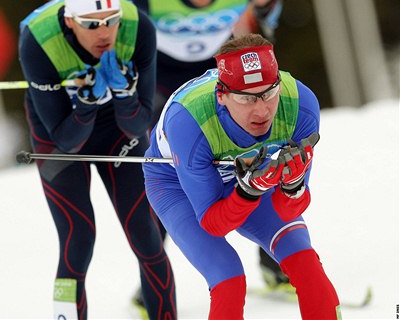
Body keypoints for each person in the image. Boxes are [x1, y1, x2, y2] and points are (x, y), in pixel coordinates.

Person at [109, 0, 287, 303]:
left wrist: (267, 8)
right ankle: (152, 285)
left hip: (217, 72)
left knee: (260, 155)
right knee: (168, 174)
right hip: (161, 81)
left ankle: (276, 265)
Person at [143, 33, 340, 319]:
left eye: (269, 93)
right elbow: (213, 223)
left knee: (306, 264)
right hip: (176, 183)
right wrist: (248, 192)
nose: (261, 110)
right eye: (246, 99)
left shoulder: (300, 104)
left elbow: (290, 209)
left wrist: (294, 186)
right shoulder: (189, 121)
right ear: (222, 96)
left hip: (245, 175)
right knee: (229, 279)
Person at [18, 0, 176, 319]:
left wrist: (122, 94)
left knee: (147, 235)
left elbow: (138, 123)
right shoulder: (38, 39)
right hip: (58, 129)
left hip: (116, 127)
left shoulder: (138, 27)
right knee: (77, 240)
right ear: (70, 20)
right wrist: (87, 103)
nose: (104, 32)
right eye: (91, 24)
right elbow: (66, 139)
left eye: (111, 20)